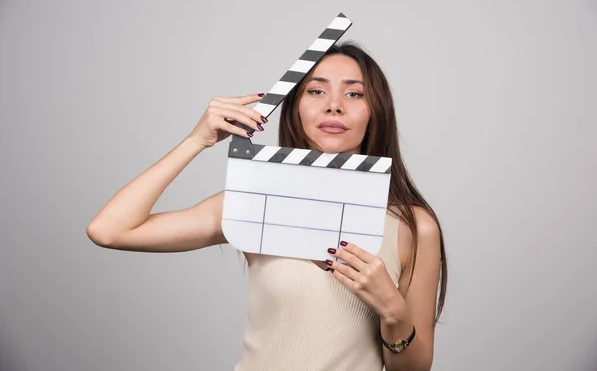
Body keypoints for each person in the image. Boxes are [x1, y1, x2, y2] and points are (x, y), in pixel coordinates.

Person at [86, 42, 448, 371]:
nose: (334, 104)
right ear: (296, 109)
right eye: (316, 90)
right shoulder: (255, 201)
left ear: (376, 112)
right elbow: (110, 230)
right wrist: (197, 140)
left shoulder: (413, 227)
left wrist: (392, 309)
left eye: (354, 93)